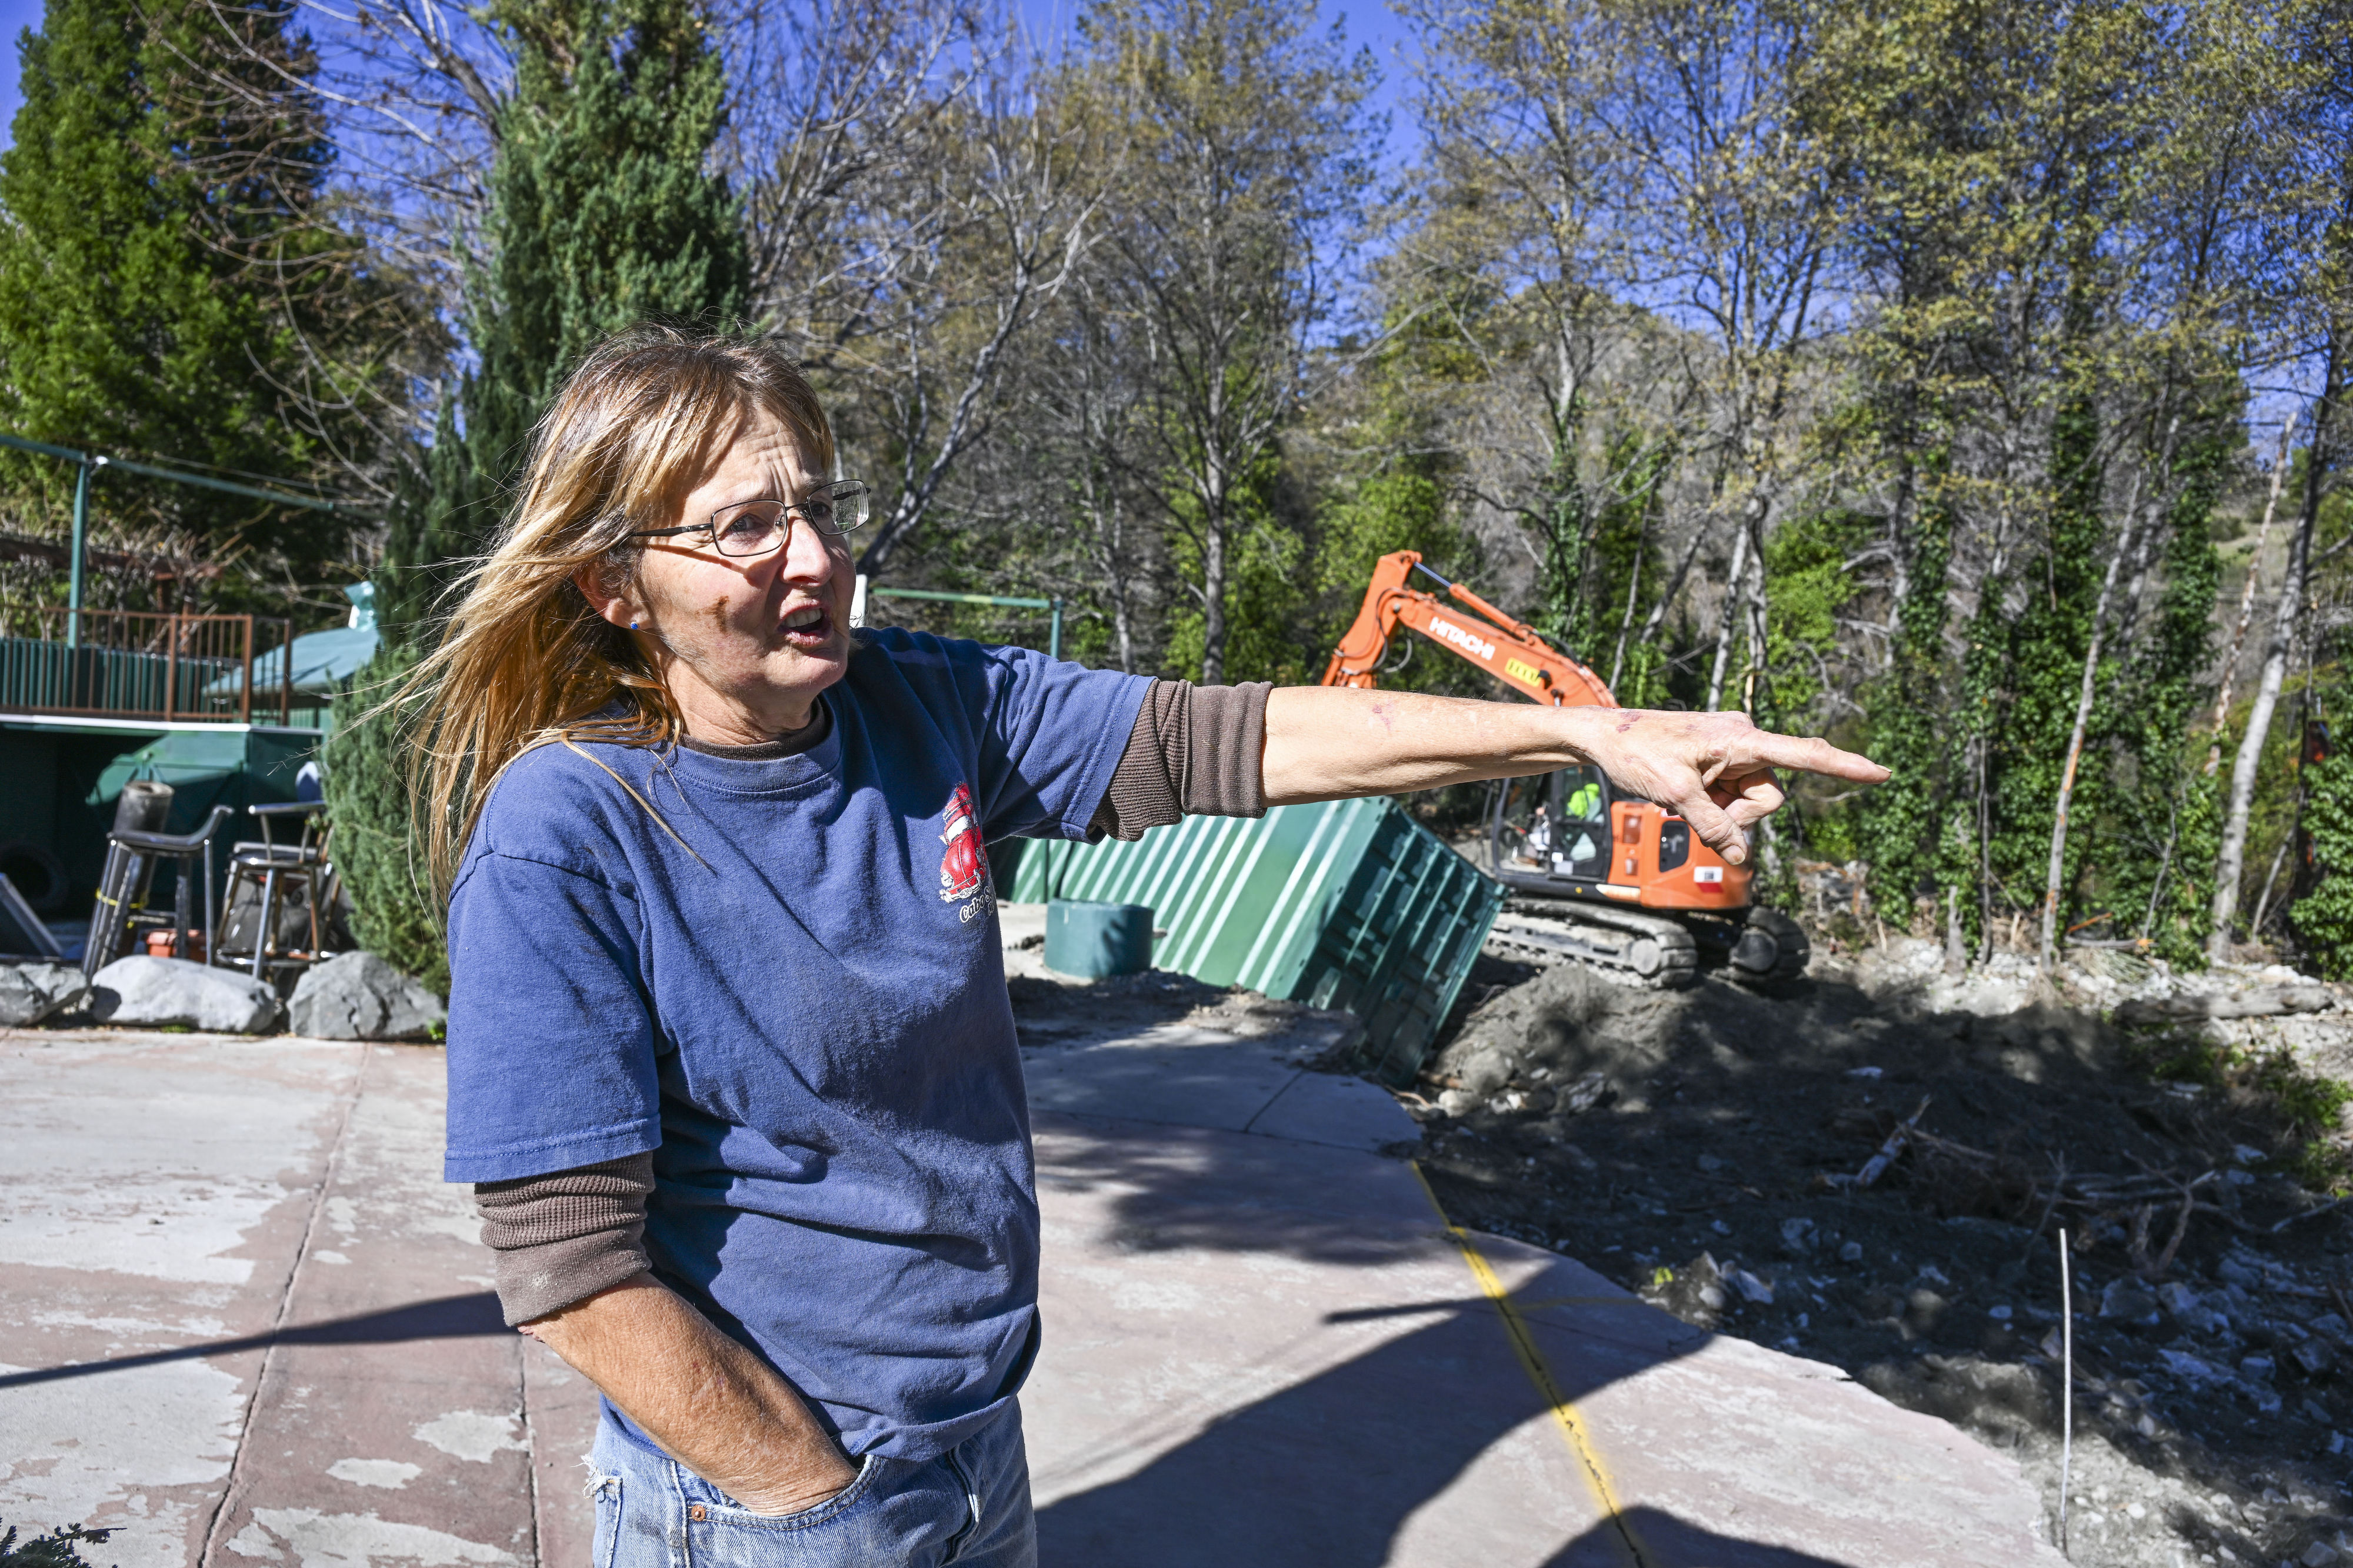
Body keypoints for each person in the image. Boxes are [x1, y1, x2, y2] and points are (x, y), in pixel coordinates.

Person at [412, 326, 1885, 1568]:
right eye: (744, 526)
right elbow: (571, 1272)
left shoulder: (917, 704)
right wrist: (812, 1501)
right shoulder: (569, 831)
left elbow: (1220, 737)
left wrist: (1579, 729)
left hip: (971, 1439)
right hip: (766, 1495)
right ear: (617, 584)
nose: (815, 559)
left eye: (818, 507)